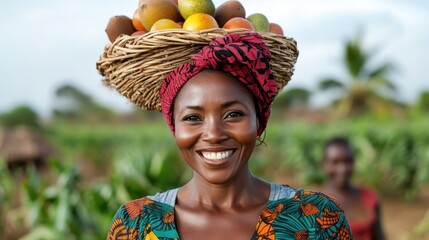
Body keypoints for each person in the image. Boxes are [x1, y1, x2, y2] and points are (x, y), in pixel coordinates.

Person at [104, 33, 352, 239]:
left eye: (233, 114)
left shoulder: (316, 218)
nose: (213, 134)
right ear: (175, 128)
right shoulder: (135, 223)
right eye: (192, 118)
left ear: (259, 122)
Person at [318, 136, 385, 240]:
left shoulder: (369, 198)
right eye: (335, 162)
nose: (342, 169)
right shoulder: (312, 202)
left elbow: (379, 236)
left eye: (348, 161)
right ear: (324, 164)